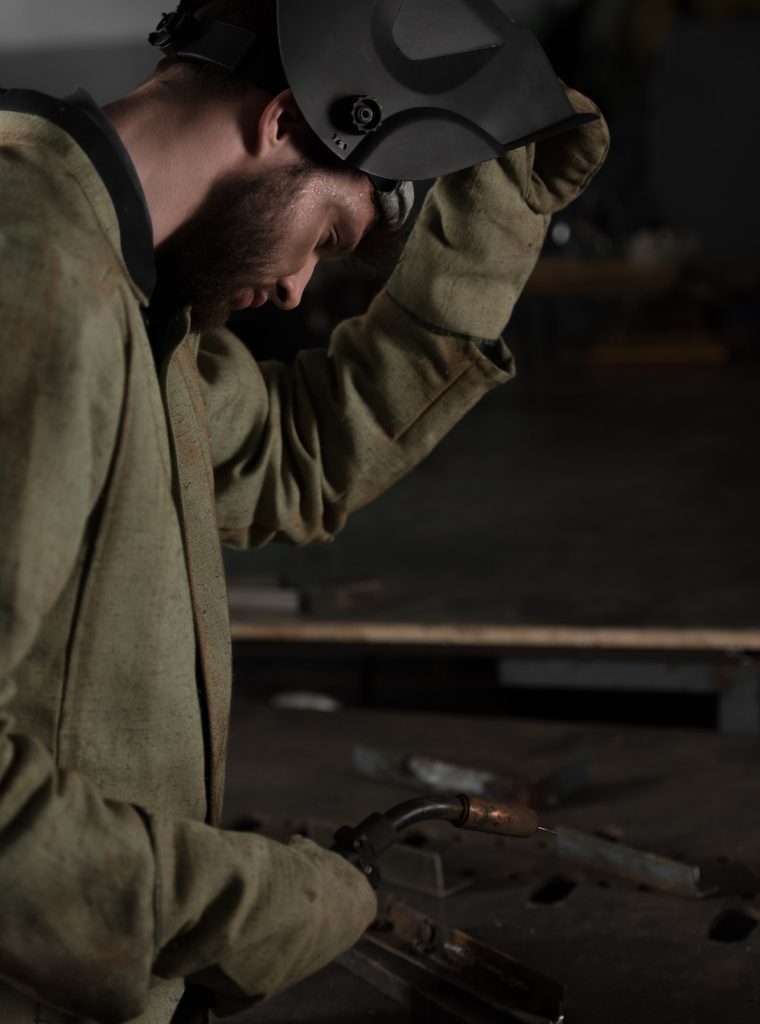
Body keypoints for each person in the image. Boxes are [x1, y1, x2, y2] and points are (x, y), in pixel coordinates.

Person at [0, 1, 609, 1022]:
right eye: (327, 233)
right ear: (282, 122)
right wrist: (239, 908)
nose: (293, 288)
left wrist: (492, 219)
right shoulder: (32, 281)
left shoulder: (125, 293)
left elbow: (292, 453)